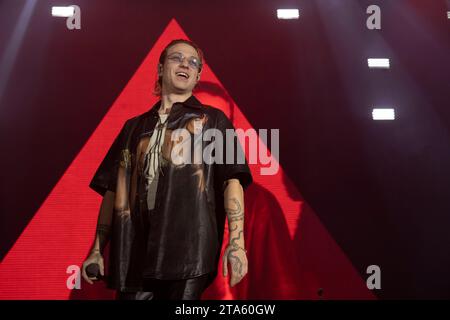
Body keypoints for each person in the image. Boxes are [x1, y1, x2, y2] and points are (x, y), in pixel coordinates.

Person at [81, 39, 252, 300]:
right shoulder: (133, 127)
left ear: (197, 76)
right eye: (177, 58)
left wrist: (237, 243)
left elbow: (232, 181)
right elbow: (113, 190)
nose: (186, 63)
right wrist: (97, 249)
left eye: (193, 62)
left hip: (189, 250)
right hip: (134, 251)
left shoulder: (214, 120)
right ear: (161, 69)